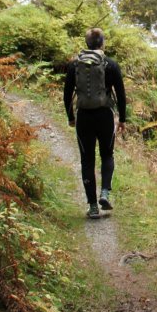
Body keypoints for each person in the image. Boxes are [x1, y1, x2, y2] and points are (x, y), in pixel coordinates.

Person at [63, 28, 127, 219]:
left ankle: (92, 206)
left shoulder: (75, 65)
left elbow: (67, 95)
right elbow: (121, 94)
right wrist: (122, 119)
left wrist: (71, 117)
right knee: (107, 154)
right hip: (105, 116)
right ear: (102, 43)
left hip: (84, 117)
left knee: (87, 160)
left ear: (87, 43)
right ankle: (105, 193)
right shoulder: (110, 65)